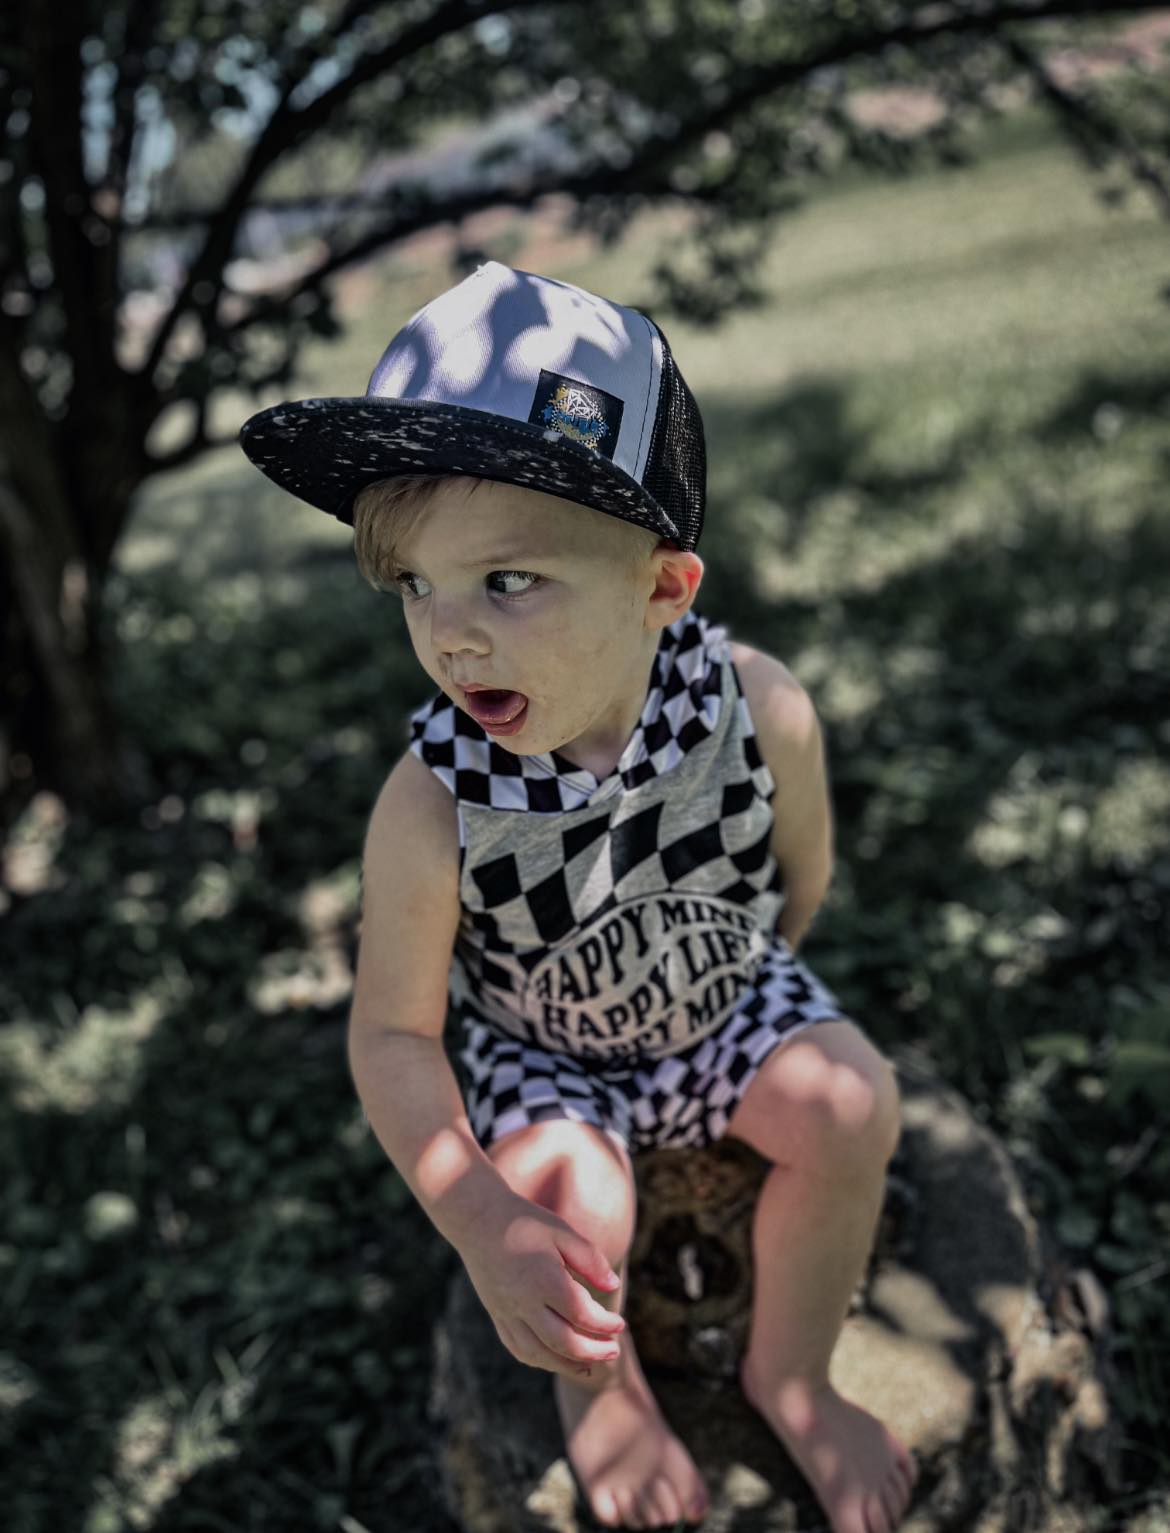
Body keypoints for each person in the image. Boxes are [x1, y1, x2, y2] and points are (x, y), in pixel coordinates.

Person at [239, 260, 920, 1533]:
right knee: (572, 1199)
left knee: (852, 1106)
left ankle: (792, 1372)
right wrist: (476, 1209)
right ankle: (601, 1397)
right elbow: (393, 1033)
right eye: (415, 588)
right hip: (547, 1051)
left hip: (718, 1004)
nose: (452, 636)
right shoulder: (434, 804)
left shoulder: (758, 711)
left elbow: (799, 880)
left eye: (506, 581)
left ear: (665, 585)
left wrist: (750, 1009)